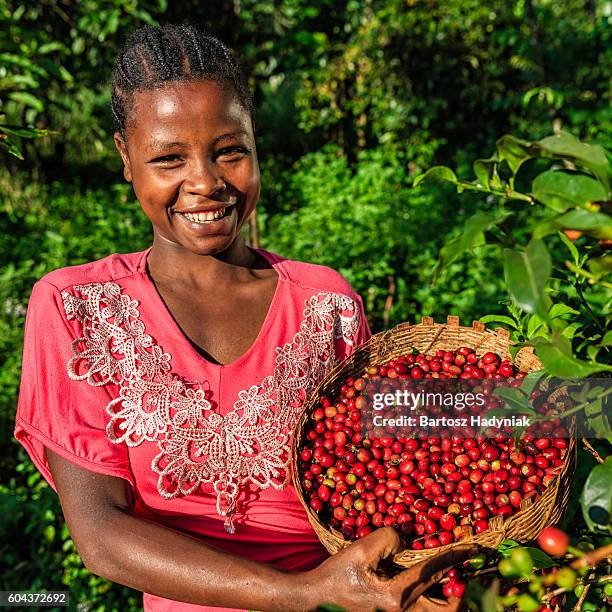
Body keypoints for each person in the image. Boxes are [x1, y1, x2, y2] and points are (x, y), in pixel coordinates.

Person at [14, 23, 475, 612]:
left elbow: (381, 472)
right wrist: (301, 592)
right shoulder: (78, 308)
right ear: (126, 158)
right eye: (168, 158)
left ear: (256, 145)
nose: (205, 182)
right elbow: (101, 536)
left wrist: (554, 403)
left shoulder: (325, 303)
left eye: (230, 150)